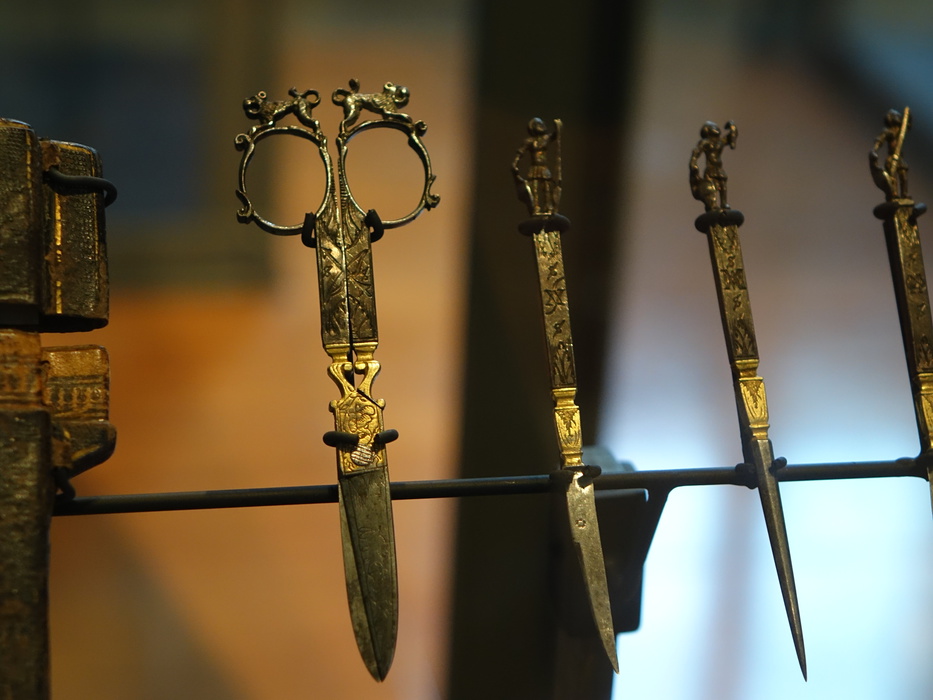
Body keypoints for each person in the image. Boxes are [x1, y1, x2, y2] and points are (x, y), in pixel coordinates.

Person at [512, 117, 561, 216]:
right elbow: (520, 152)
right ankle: (535, 207)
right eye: (539, 125)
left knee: (546, 188)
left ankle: (548, 206)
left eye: (542, 124)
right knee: (534, 189)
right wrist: (515, 163)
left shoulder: (546, 139)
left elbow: (555, 135)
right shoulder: (530, 141)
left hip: (543, 168)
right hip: (534, 168)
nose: (542, 126)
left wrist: (557, 126)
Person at [689, 120, 737, 211]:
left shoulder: (720, 141)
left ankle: (724, 203)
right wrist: (693, 162)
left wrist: (732, 127)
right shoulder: (705, 142)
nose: (717, 129)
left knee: (723, 184)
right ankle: (713, 204)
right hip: (711, 168)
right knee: (713, 186)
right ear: (707, 130)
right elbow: (696, 151)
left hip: (718, 167)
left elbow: (732, 137)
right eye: (713, 127)